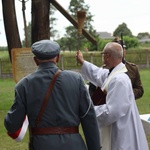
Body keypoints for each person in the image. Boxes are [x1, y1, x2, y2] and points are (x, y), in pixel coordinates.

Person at [4, 39, 101, 150]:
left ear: (35, 60)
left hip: (42, 145)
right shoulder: (77, 79)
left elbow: (12, 124)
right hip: (73, 145)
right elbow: (89, 118)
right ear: (58, 58)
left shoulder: (24, 85)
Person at [76, 42, 149, 150]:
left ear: (107, 56)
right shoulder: (114, 74)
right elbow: (99, 74)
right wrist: (83, 62)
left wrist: (88, 111)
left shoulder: (119, 80)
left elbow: (112, 112)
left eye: (103, 54)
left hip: (121, 132)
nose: (102, 56)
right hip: (119, 127)